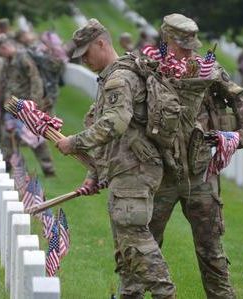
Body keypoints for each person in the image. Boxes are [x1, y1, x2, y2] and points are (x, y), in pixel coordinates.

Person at [56, 19, 176, 299]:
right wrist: (95, 174)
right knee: (126, 247)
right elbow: (118, 136)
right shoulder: (114, 75)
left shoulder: (119, 79)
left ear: (102, 43)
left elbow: (115, 124)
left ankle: (165, 294)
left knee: (136, 241)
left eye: (87, 53)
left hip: (135, 170)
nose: (84, 60)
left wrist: (74, 142)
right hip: (125, 169)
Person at [145, 14, 243, 299]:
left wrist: (242, 134)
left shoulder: (207, 68)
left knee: (212, 250)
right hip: (161, 173)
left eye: (191, 44)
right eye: (182, 44)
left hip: (200, 171)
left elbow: (239, 98)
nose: (189, 50)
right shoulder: (150, 67)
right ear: (166, 39)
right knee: (146, 245)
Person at [0, 35, 56, 177]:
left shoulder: (23, 58)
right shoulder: (8, 62)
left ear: (4, 47)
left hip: (26, 107)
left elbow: (36, 80)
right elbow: (6, 83)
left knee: (34, 139)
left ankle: (48, 169)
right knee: (7, 136)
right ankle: (7, 166)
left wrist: (35, 105)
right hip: (12, 107)